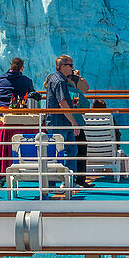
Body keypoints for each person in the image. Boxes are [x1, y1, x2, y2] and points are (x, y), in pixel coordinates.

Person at [45, 55, 80, 187]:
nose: (73, 68)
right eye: (70, 65)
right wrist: (74, 122)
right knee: (58, 152)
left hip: (62, 122)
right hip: (59, 122)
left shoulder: (59, 80)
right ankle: (54, 183)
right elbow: (62, 103)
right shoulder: (59, 81)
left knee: (71, 150)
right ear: (62, 66)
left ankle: (68, 181)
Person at [66, 66, 93, 189]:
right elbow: (86, 105)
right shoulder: (75, 92)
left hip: (62, 126)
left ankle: (65, 178)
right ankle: (80, 179)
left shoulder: (59, 88)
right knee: (81, 150)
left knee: (66, 151)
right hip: (76, 125)